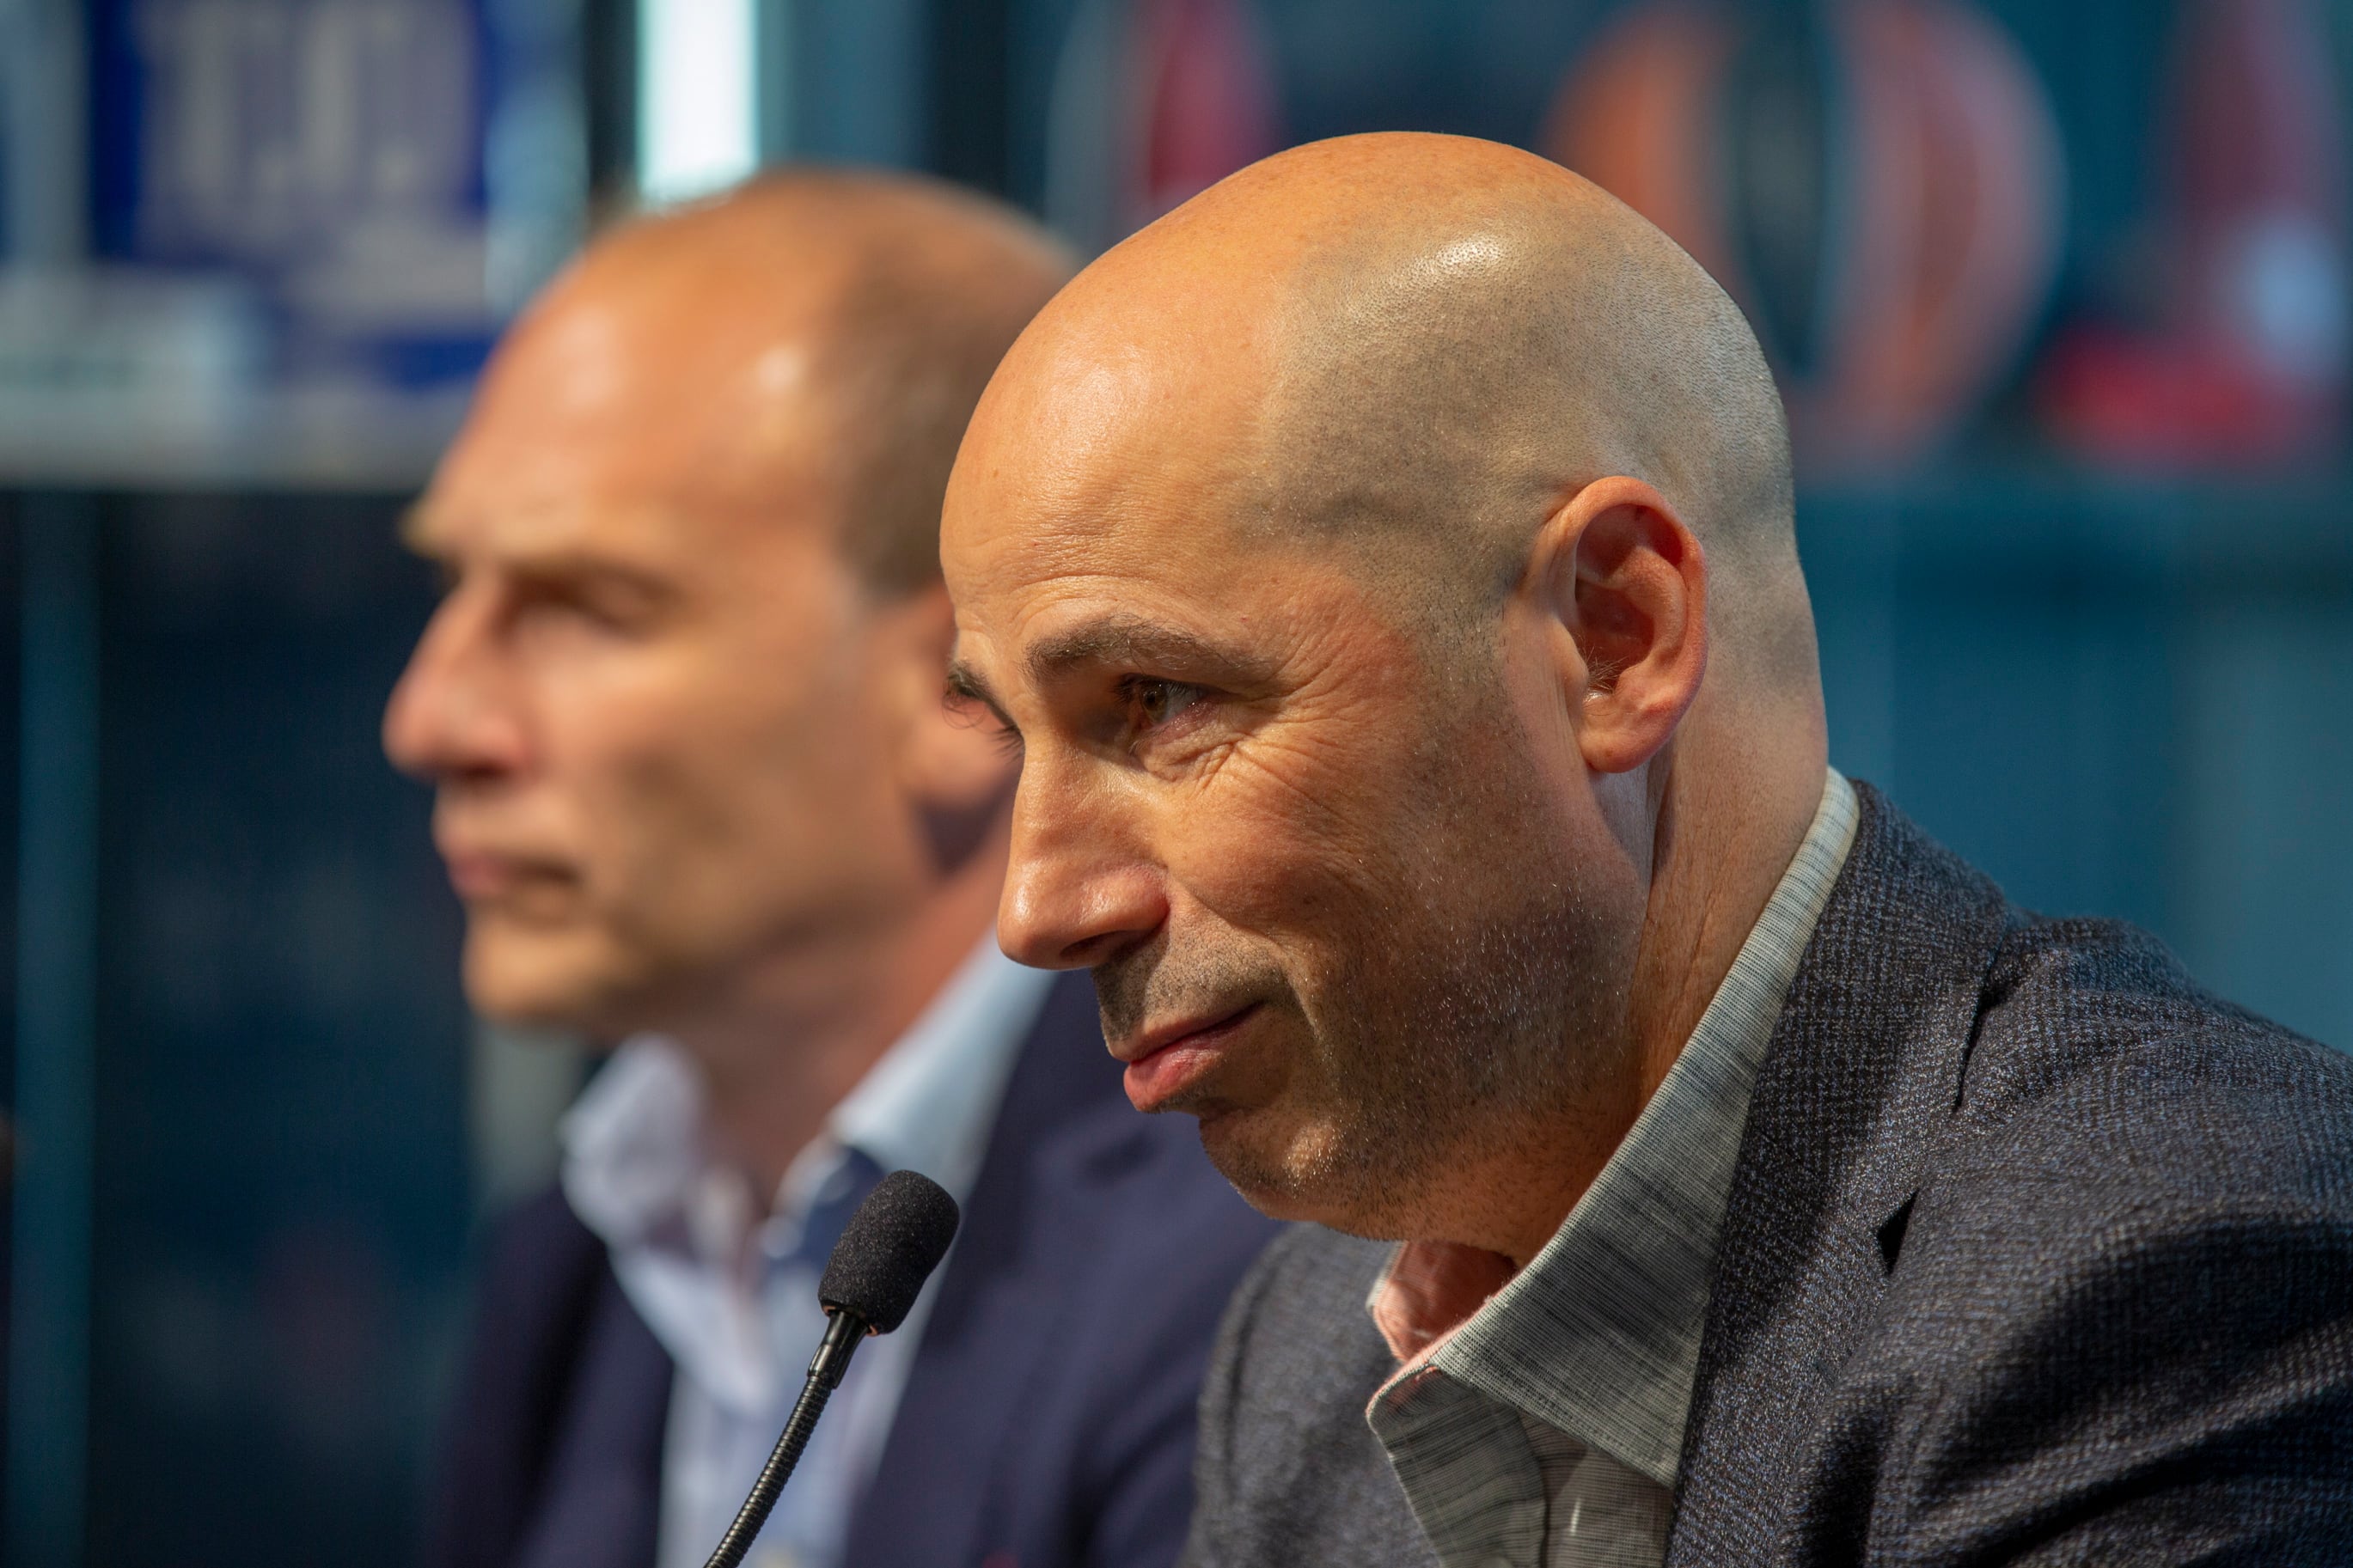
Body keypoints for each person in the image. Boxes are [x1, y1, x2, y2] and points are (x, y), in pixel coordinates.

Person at [938, 132, 2353, 1566]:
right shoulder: (1302, 1353)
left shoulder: (2155, 1266)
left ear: (1616, 639)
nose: (1038, 906)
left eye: (1159, 703)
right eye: (1010, 738)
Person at [385, 170, 1275, 1568]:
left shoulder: (1260, 1258)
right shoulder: (571, 1264)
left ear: (956, 686)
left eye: (585, 610)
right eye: (452, 591)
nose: (431, 718)